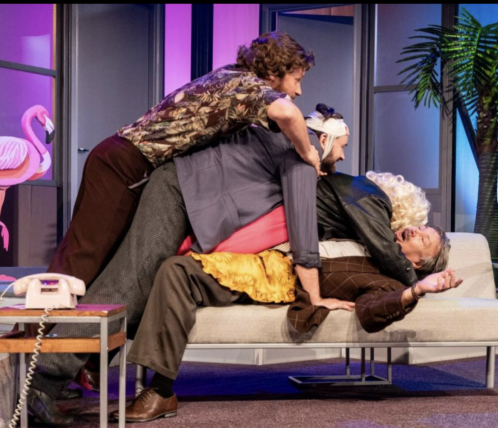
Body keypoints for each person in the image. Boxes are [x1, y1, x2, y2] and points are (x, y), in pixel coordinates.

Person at [26, 103, 345, 426]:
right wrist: (315, 297)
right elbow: (303, 229)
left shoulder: (279, 140)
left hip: (177, 189)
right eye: (342, 147)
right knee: (126, 285)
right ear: (324, 140)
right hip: (177, 193)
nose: (343, 156)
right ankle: (42, 380)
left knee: (131, 287)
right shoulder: (303, 155)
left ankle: (58, 376)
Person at [115, 173, 454, 423]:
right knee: (172, 265)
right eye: (420, 228)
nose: (414, 230)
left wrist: (416, 290)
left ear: (417, 264)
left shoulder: (387, 282)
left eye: (423, 239)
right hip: (267, 252)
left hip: (276, 276)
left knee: (177, 270)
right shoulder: (369, 235)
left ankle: (160, 390)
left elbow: (371, 312)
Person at [47, 31, 320, 287]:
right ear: (273, 74)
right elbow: (288, 113)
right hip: (126, 163)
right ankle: (42, 319)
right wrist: (308, 152)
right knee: (84, 256)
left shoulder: (232, 75)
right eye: (297, 80)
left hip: (115, 154)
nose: (299, 91)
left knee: (85, 251)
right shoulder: (249, 87)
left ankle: (47, 315)